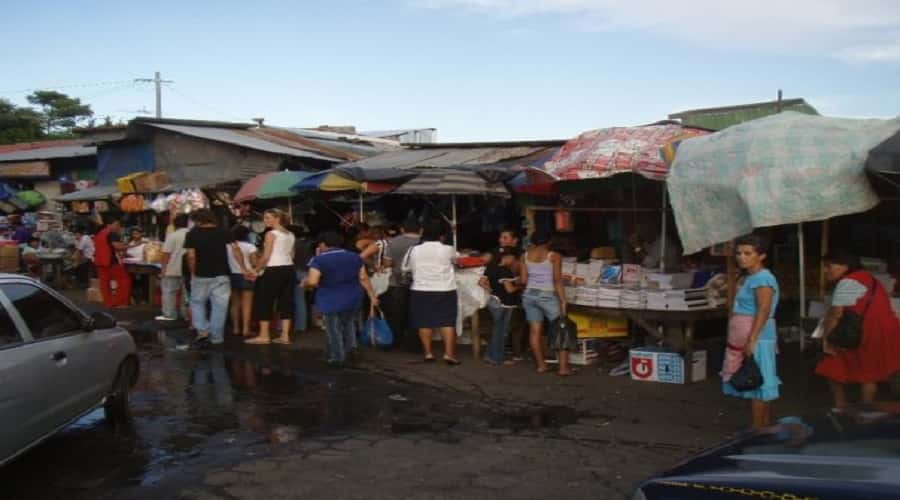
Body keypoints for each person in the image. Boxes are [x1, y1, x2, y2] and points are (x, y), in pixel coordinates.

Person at [815, 250, 900, 408]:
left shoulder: (848, 282)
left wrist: (827, 340)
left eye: (829, 266)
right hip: (880, 331)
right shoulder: (869, 278)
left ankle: (841, 407)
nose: (826, 270)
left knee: (833, 366)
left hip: (864, 332)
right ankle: (866, 409)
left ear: (845, 266)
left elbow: (835, 314)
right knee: (869, 373)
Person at [720, 234, 780, 428]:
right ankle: (763, 427)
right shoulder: (750, 277)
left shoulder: (762, 278)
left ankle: (758, 429)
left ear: (761, 256)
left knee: (759, 385)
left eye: (748, 253)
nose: (742, 257)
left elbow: (763, 308)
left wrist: (752, 339)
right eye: (739, 253)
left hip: (758, 338)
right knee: (758, 382)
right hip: (749, 337)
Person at [303, 230, 379, 366]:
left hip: (330, 298)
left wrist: (305, 283)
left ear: (323, 244)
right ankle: (351, 351)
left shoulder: (318, 260)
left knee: (333, 328)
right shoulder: (355, 257)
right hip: (353, 297)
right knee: (349, 324)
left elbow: (313, 281)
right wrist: (372, 296)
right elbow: (363, 278)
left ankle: (337, 357)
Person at [184, 209, 250, 345]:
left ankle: (203, 330)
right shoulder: (224, 232)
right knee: (220, 306)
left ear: (197, 220)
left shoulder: (192, 234)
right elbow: (236, 249)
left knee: (197, 302)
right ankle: (217, 337)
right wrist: (243, 268)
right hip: (222, 274)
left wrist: (193, 273)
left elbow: (191, 256)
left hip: (201, 275)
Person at [404, 220, 460, 365]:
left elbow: (405, 268)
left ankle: (428, 353)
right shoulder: (448, 249)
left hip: (421, 289)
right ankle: (449, 355)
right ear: (442, 236)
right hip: (445, 289)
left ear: (423, 233)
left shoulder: (414, 249)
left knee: (424, 322)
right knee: (447, 322)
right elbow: (458, 263)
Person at [521, 230, 573, 375]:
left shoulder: (525, 255)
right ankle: (563, 368)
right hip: (547, 295)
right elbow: (557, 281)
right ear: (548, 241)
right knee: (561, 329)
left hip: (529, 295)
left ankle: (541, 365)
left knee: (534, 331)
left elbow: (524, 280)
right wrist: (563, 301)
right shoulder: (554, 256)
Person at [246, 209, 296, 345]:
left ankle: (264, 335)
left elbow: (266, 257)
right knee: (286, 301)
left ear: (277, 218)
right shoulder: (290, 234)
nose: (265, 220)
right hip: (289, 268)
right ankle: (285, 336)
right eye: (265, 218)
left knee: (265, 301)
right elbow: (292, 255)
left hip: (274, 269)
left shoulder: (271, 234)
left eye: (268, 218)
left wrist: (255, 270)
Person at [381, 218, 421, 350]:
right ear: (420, 230)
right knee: (415, 314)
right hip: (419, 283)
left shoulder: (393, 242)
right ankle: (414, 344)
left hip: (397, 283)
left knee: (395, 315)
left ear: (402, 229)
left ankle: (394, 342)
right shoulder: (423, 242)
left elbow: (387, 264)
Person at [480, 246, 522, 365]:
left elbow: (481, 282)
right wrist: (520, 286)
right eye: (513, 259)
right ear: (508, 257)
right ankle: (497, 358)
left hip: (493, 301)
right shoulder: (505, 270)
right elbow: (509, 290)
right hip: (505, 303)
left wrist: (492, 291)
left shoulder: (491, 267)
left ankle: (490, 356)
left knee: (497, 330)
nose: (514, 262)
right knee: (502, 331)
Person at [93, 216, 132, 308]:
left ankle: (109, 303)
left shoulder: (99, 233)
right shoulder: (112, 234)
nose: (118, 227)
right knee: (124, 281)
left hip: (100, 261)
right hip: (111, 262)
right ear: (109, 225)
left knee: (104, 284)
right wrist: (133, 245)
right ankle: (120, 302)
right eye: (116, 225)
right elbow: (117, 247)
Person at [157, 214, 190, 321]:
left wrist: (163, 270)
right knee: (187, 294)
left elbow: (166, 254)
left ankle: (169, 315)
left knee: (169, 293)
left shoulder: (172, 236)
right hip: (188, 270)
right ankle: (186, 315)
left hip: (172, 268)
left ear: (175, 225)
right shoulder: (192, 234)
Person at [228, 225, 258, 337]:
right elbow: (254, 263)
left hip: (232, 275)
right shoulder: (250, 246)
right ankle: (246, 329)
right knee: (247, 304)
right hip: (247, 275)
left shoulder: (228, 246)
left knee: (234, 304)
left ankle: (236, 328)